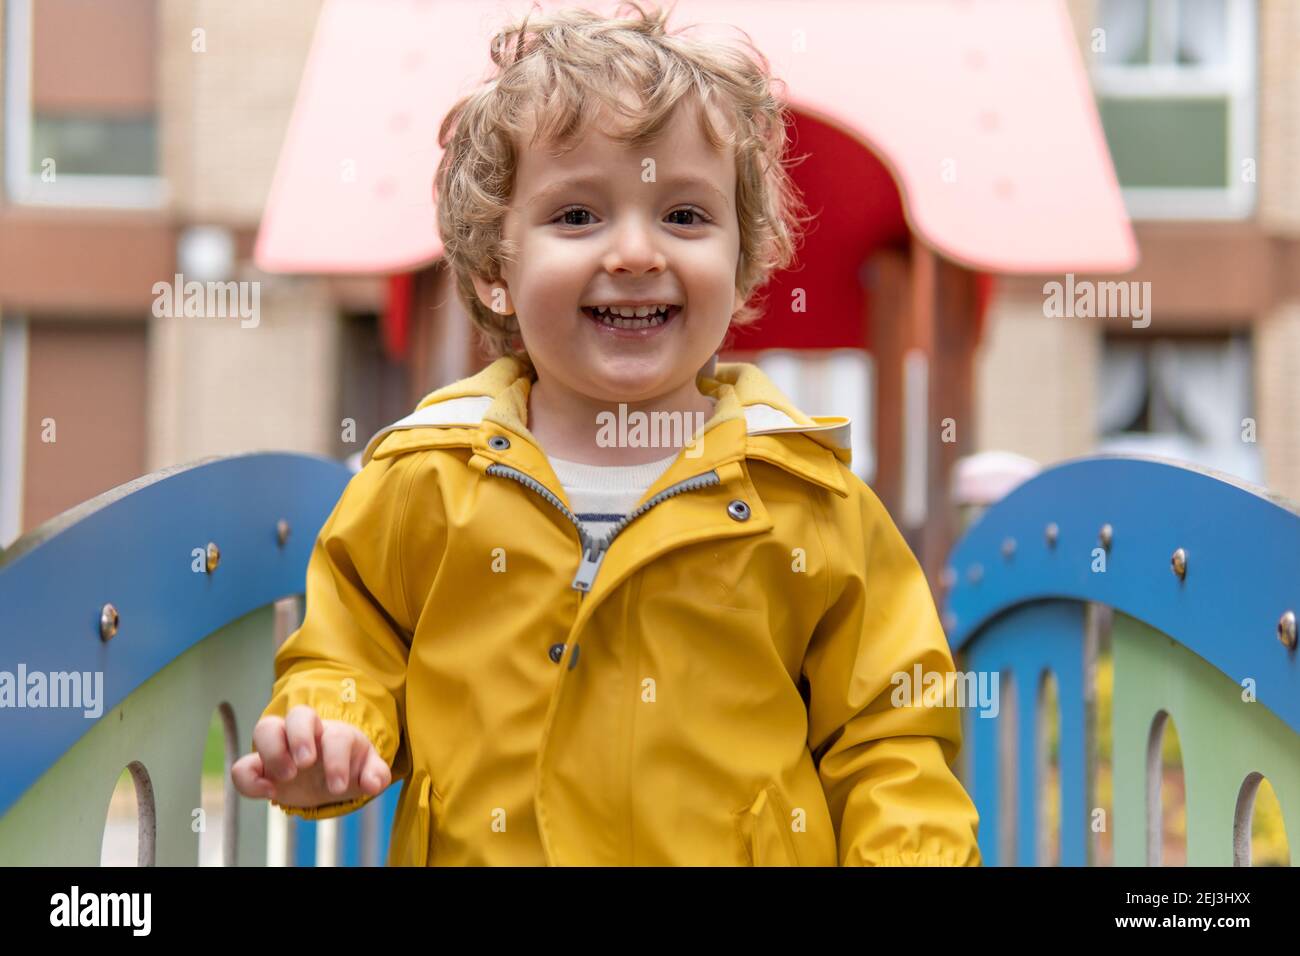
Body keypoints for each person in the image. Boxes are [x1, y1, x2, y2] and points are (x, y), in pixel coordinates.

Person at [232, 1, 980, 866]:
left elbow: (890, 731)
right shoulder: (424, 479)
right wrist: (331, 731)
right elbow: (348, 652)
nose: (634, 252)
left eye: (686, 217)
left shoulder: (804, 497)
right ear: (494, 271)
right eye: (578, 216)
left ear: (742, 271)